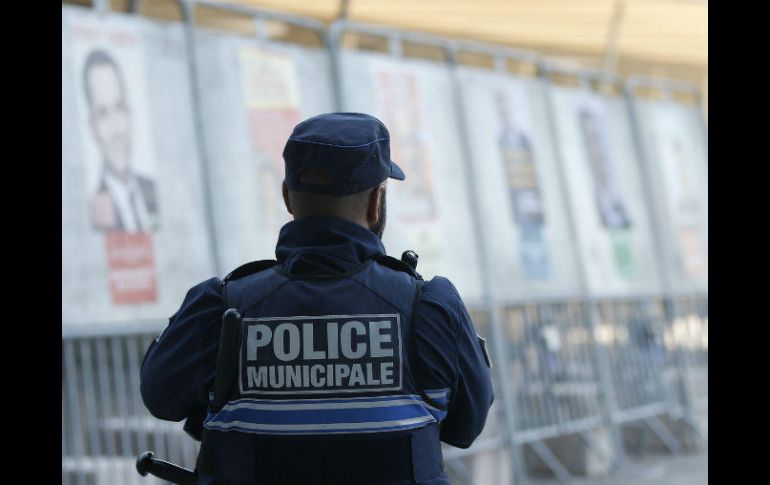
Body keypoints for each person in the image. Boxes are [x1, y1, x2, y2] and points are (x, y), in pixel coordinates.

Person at [140, 113, 494, 484]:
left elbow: (160, 398)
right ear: (376, 202)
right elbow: (466, 428)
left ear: (287, 197)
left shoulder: (220, 305)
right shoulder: (431, 308)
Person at [82, 49, 159, 233]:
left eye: (119, 107)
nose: (117, 129)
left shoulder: (151, 189)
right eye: (103, 113)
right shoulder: (93, 201)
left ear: (130, 113)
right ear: (92, 127)